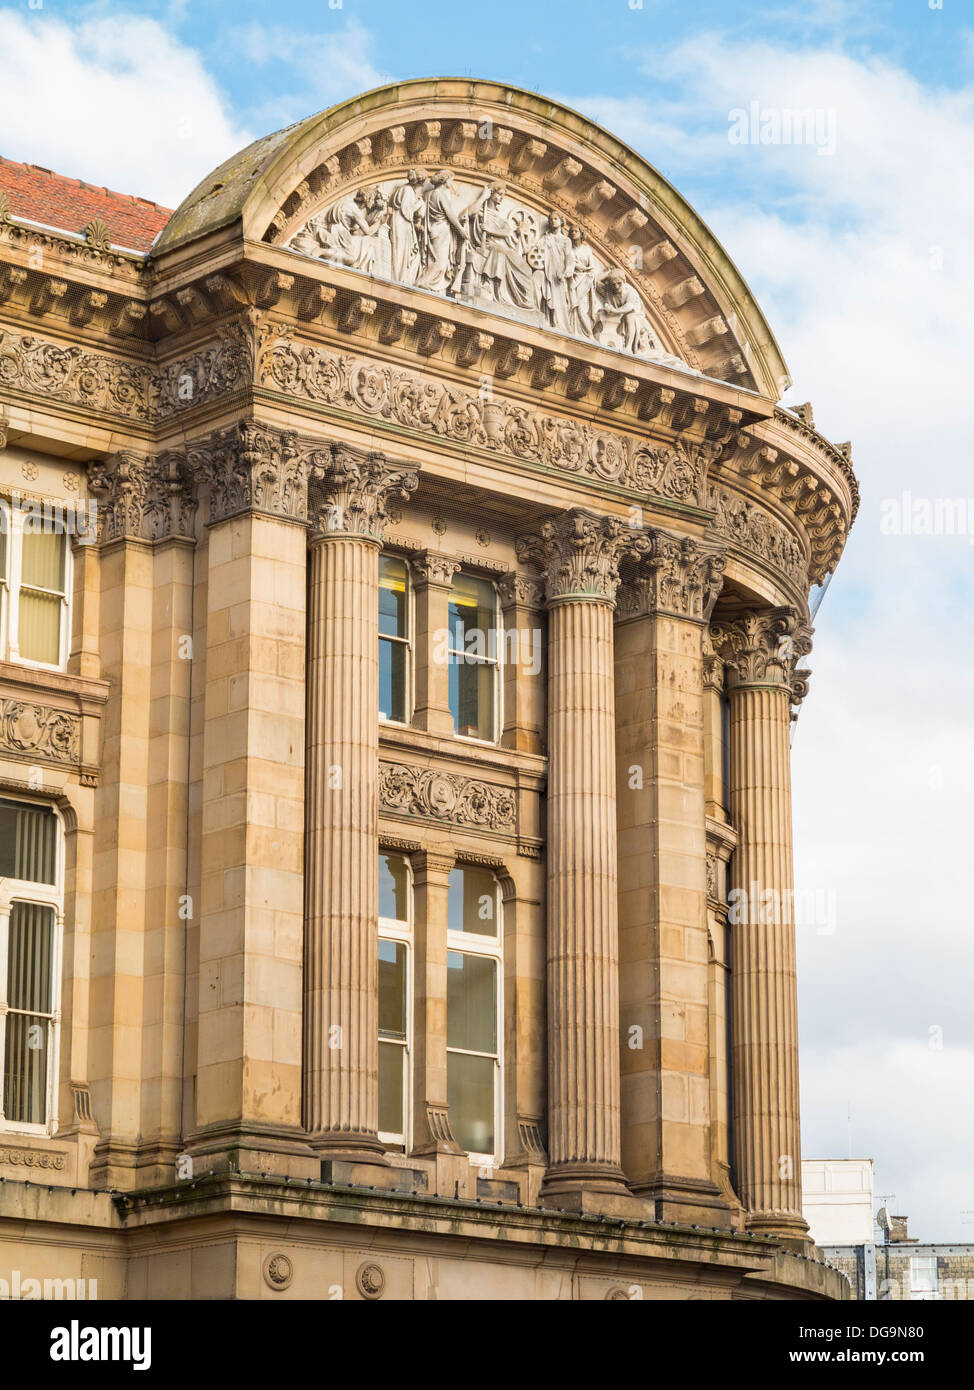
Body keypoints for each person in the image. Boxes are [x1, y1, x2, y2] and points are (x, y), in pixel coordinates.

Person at [461, 184, 535, 310]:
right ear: (491, 193)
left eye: (503, 195)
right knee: (498, 252)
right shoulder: (481, 212)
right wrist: (483, 197)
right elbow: (466, 214)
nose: (501, 198)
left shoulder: (500, 219)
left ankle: (524, 301)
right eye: (499, 194)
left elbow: (507, 231)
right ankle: (490, 284)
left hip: (505, 249)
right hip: (491, 246)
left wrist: (490, 229)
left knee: (526, 269)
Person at [417, 171, 469, 295]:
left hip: (432, 229)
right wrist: (462, 231)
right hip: (441, 231)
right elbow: (450, 214)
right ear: (444, 180)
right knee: (440, 262)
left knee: (433, 259)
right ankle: (423, 281)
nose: (451, 184)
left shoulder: (427, 194)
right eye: (451, 180)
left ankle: (431, 285)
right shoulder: (440, 194)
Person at [593, 269, 657, 355]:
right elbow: (596, 280)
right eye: (613, 284)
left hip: (635, 318)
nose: (616, 287)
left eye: (619, 283)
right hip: (618, 317)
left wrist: (614, 310)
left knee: (629, 317)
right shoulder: (609, 291)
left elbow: (629, 307)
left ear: (624, 281)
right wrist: (608, 273)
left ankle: (628, 347)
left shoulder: (630, 292)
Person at [536, 213, 575, 333]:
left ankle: (559, 324)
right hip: (547, 270)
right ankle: (547, 319)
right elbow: (536, 250)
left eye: (556, 219)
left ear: (561, 221)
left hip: (558, 274)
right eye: (551, 219)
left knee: (558, 298)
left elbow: (569, 258)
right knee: (548, 294)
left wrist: (566, 272)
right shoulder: (546, 238)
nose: (553, 221)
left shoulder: (566, 240)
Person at [387, 169, 426, 285]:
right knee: (401, 251)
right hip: (401, 225)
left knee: (402, 252)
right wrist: (420, 204)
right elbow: (407, 211)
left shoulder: (405, 189)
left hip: (402, 224)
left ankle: (400, 277)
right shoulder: (407, 190)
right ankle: (399, 278)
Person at [567, 224, 599, 338]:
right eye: (571, 231)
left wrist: (585, 270)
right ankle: (572, 329)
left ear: (581, 234)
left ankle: (587, 334)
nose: (573, 233)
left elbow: (593, 268)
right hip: (572, 281)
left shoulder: (587, 250)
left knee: (581, 307)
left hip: (585, 281)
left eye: (575, 231)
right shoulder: (568, 249)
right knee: (571, 305)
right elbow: (568, 264)